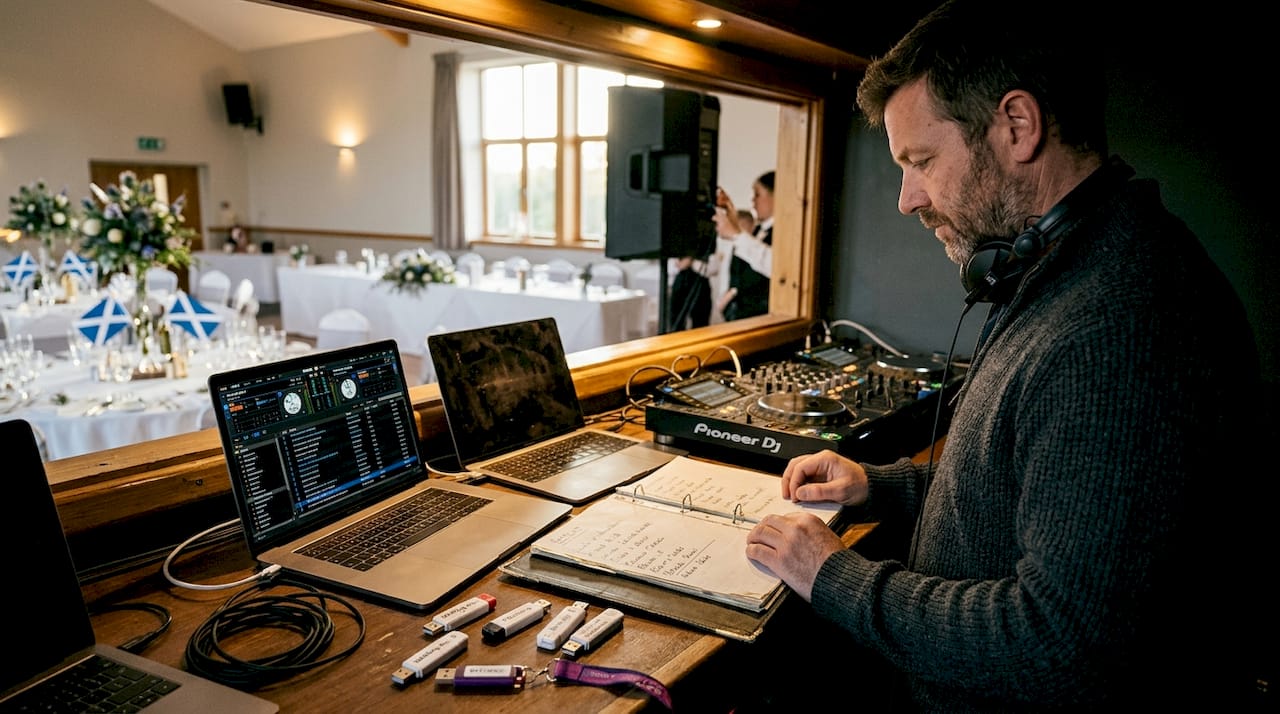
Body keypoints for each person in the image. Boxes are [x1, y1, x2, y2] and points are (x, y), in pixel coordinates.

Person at [741, 1, 1265, 711]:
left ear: (1017, 126)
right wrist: (880, 484)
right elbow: (1037, 498)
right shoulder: (1075, 267)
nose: (906, 199)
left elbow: (1059, 644)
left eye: (921, 160)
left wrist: (835, 576)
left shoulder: (1118, 328)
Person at [713, 171, 774, 321]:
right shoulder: (760, 230)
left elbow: (774, 265)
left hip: (761, 318)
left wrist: (736, 234)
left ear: (775, 196)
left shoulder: (783, 232)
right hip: (740, 314)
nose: (752, 200)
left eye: (757, 194)